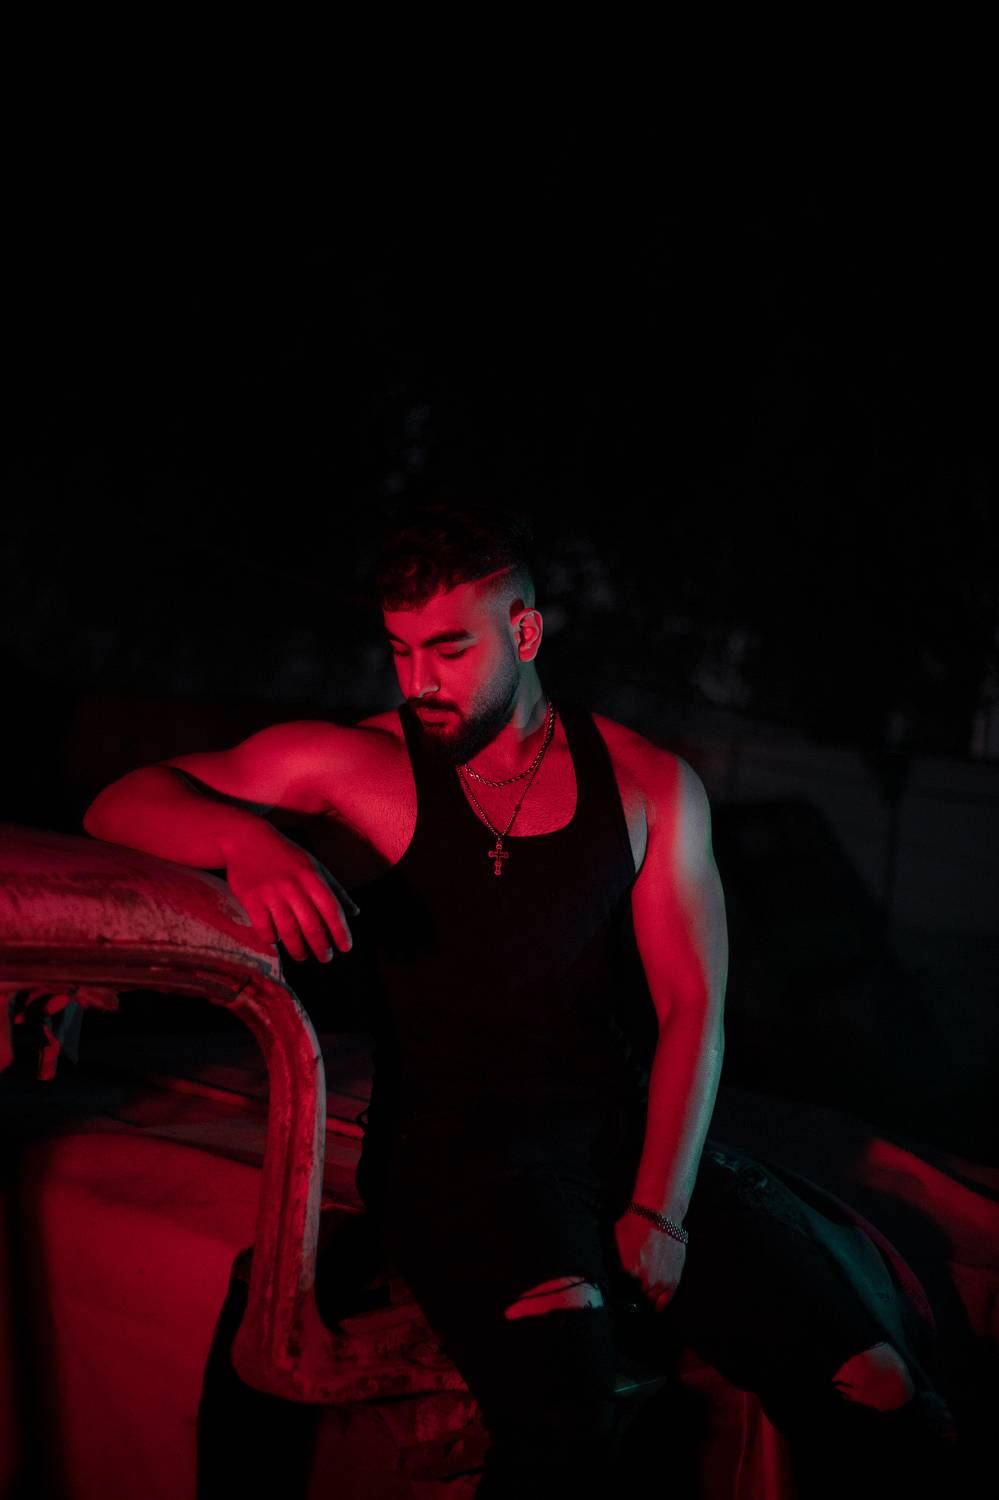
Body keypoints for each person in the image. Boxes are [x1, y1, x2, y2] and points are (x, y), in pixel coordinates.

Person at [84, 503, 959, 1497]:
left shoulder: (648, 785)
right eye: (401, 651)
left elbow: (691, 1009)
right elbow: (121, 800)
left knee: (881, 1387)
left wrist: (661, 1210)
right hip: (459, 1155)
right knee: (568, 1413)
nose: (419, 682)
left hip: (621, 1134)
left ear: (527, 631)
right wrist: (246, 841)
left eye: (450, 650)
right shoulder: (359, 765)